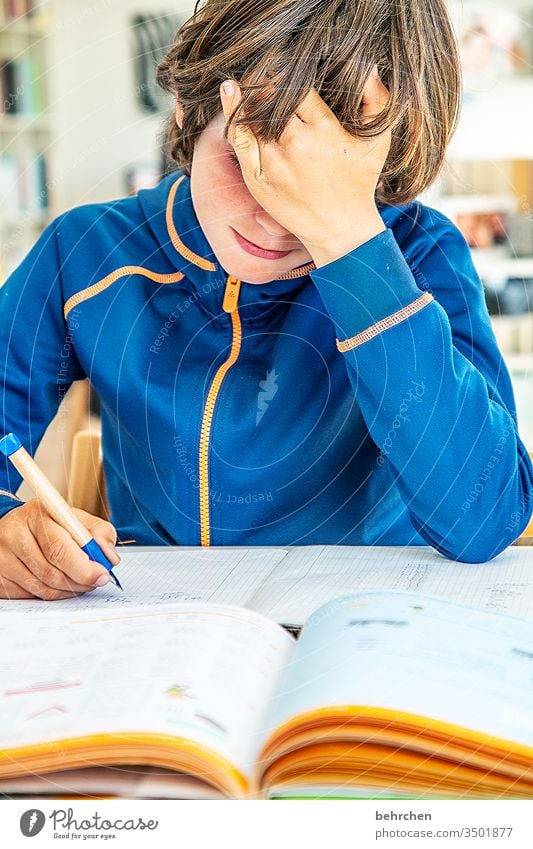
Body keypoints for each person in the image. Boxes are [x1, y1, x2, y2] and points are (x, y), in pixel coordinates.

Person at [0, 0, 532, 601]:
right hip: (158, 627)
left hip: (358, 626)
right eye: (248, 156)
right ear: (187, 110)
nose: (277, 219)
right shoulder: (86, 252)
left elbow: (486, 520)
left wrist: (349, 239)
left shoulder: (421, 253)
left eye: (332, 177)